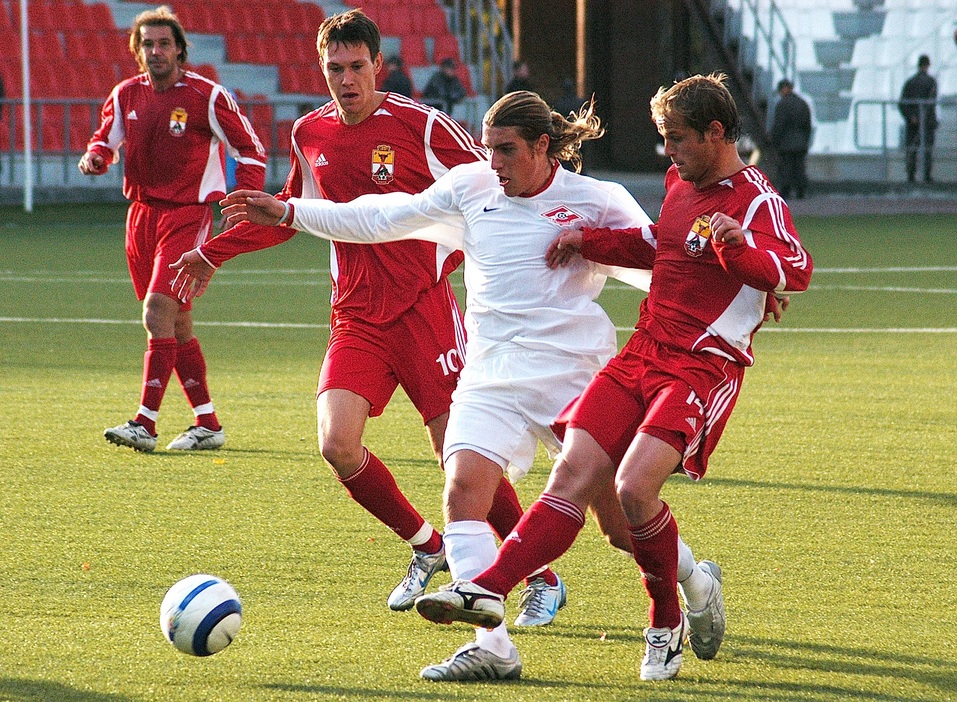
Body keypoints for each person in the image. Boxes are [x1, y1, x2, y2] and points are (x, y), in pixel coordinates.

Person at [178, 90, 659, 682]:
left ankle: (686, 579)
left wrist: (737, 291)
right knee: (457, 487)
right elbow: (377, 216)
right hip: (481, 369)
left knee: (618, 522)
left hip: (566, 371)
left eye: (505, 151)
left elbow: (659, 266)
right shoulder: (471, 185)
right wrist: (289, 213)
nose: (492, 163)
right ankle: (493, 645)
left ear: (543, 146)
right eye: (488, 150)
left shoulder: (598, 199)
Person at [164, 11, 566, 622]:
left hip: (422, 311)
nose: (346, 79)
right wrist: (212, 253)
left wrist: (480, 253)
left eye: (357, 67)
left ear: (378, 65)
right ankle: (426, 547)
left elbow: (495, 186)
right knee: (337, 443)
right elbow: (291, 216)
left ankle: (539, 576)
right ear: (321, 68)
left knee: (458, 455)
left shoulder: (422, 126)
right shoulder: (309, 133)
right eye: (335, 69)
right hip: (355, 317)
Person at [412, 73, 813, 682]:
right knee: (572, 474)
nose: (669, 154)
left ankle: (664, 617)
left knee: (631, 492)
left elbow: (795, 268)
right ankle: (487, 591)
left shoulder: (756, 199)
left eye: (677, 139)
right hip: (643, 351)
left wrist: (746, 261)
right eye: (663, 140)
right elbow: (661, 243)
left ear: (715, 132)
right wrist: (586, 239)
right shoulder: (682, 184)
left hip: (702, 368)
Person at [78, 5, 265, 453]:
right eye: (147, 44)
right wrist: (97, 157)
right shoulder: (125, 94)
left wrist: (245, 200)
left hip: (187, 215)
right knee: (176, 323)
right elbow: (106, 138)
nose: (156, 51)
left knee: (156, 311)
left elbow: (251, 149)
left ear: (180, 50)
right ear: (137, 51)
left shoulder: (207, 96)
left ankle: (144, 422)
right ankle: (208, 423)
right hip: (141, 216)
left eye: (164, 43)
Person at [769, 79, 812, 199]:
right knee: (799, 168)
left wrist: (775, 141)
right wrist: (805, 140)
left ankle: (785, 191)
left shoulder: (782, 104)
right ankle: (801, 191)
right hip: (801, 142)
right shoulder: (803, 103)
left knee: (786, 168)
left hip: (786, 143)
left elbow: (779, 125)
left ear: (783, 89)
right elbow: (807, 125)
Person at [898, 55, 938, 183]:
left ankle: (911, 175)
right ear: (927, 65)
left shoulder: (910, 82)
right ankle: (926, 176)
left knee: (912, 149)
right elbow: (931, 104)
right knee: (927, 149)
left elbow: (902, 103)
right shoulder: (931, 82)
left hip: (913, 122)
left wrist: (911, 117)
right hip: (927, 122)